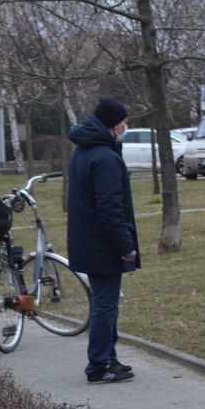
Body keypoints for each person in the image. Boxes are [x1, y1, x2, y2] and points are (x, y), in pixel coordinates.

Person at [66, 97, 139, 384]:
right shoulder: (105, 158)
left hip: (89, 241)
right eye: (123, 121)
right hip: (102, 245)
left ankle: (108, 357)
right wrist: (126, 247)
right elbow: (110, 210)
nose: (126, 127)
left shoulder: (86, 151)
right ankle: (99, 364)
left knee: (104, 303)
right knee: (105, 306)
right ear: (113, 125)